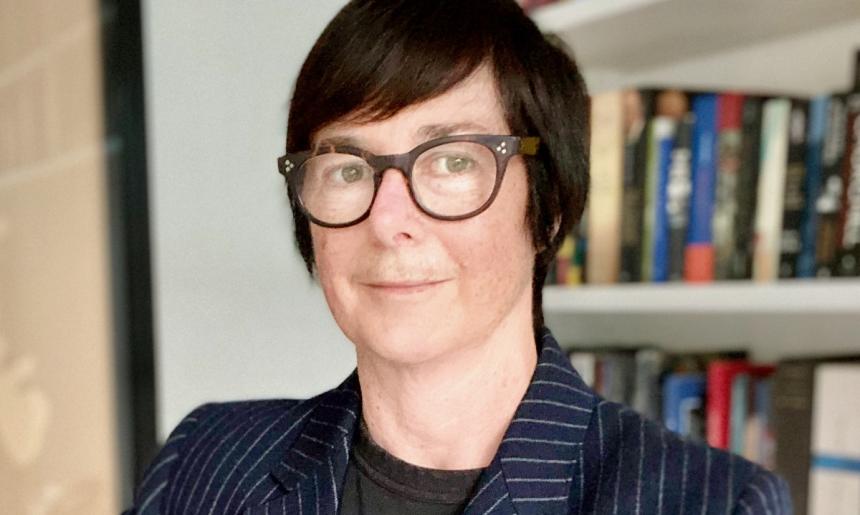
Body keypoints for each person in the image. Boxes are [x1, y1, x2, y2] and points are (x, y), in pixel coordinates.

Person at [125, 1, 792, 514]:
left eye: (449, 161)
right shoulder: (206, 456)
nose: (388, 221)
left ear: (549, 206)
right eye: (346, 167)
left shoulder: (709, 500)